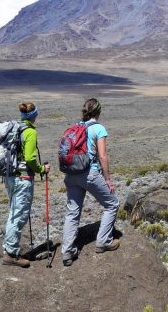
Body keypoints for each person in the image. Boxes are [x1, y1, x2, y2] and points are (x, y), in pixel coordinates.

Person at [61, 98, 120, 266]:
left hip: (71, 174)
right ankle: (103, 241)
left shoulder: (76, 127)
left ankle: (67, 252)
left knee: (72, 213)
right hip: (89, 173)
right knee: (112, 204)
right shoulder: (98, 128)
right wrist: (107, 179)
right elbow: (102, 156)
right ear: (98, 112)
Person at [2, 102, 51, 268]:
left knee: (14, 213)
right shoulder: (29, 132)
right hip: (23, 179)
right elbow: (30, 158)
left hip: (10, 178)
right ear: (34, 116)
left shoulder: (15, 129)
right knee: (19, 216)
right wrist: (41, 169)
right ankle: (11, 254)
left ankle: (9, 249)